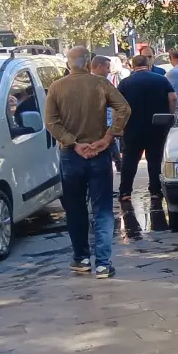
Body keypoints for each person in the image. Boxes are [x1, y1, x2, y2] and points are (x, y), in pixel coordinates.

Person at [45, 46, 132, 278]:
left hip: (71, 155)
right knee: (102, 208)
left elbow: (51, 122)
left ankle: (81, 258)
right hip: (98, 152)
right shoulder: (100, 84)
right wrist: (108, 138)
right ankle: (103, 263)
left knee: (75, 208)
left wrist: (73, 143)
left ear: (68, 63)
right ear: (88, 63)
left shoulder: (56, 87)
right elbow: (124, 108)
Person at [117, 54, 177, 205]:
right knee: (155, 159)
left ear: (132, 66)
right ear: (149, 64)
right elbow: (173, 98)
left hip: (132, 127)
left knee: (130, 159)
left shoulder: (125, 83)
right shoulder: (161, 79)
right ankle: (155, 191)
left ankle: (125, 191)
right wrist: (169, 116)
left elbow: (118, 105)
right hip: (157, 125)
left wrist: (120, 125)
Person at [90, 56, 123, 173]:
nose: (109, 71)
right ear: (99, 66)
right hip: (101, 123)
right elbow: (122, 107)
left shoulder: (100, 82)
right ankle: (119, 164)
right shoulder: (101, 83)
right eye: (107, 67)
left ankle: (118, 163)